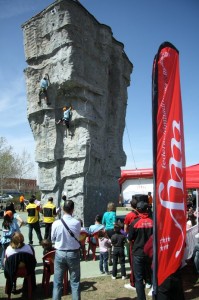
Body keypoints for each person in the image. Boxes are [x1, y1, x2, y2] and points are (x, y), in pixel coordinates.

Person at [51, 199, 81, 300]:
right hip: (73, 253)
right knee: (75, 282)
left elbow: (52, 238)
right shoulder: (77, 223)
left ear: (63, 209)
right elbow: (77, 235)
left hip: (60, 252)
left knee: (57, 283)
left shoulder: (56, 223)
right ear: (73, 209)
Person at [128, 201, 153, 300]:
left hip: (138, 253)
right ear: (147, 209)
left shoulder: (134, 223)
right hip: (151, 253)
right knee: (153, 275)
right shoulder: (153, 221)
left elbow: (130, 238)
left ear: (137, 210)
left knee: (138, 279)